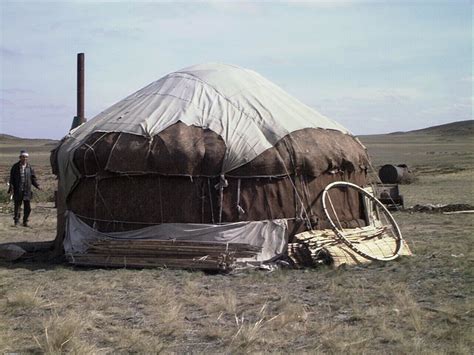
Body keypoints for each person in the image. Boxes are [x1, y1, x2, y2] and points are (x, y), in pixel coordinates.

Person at [8, 150, 40, 227]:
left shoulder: (29, 167)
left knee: (28, 208)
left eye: (26, 157)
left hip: (27, 190)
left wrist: (37, 186)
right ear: (20, 157)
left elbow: (33, 179)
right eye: (23, 157)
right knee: (17, 207)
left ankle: (25, 222)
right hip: (18, 190)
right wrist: (11, 188)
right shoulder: (15, 167)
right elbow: (11, 179)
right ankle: (16, 221)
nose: (24, 158)